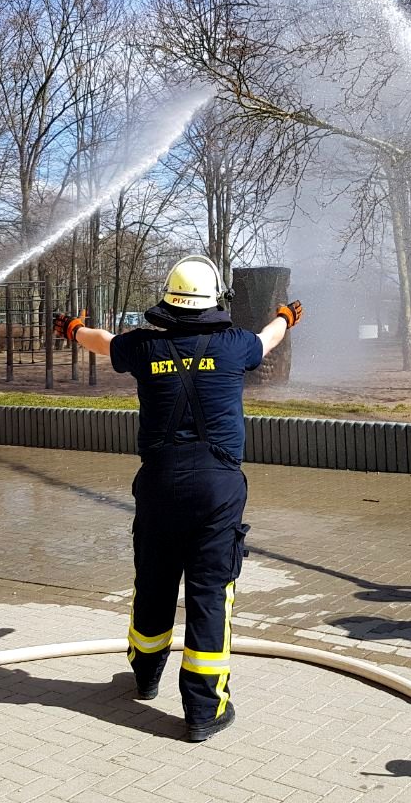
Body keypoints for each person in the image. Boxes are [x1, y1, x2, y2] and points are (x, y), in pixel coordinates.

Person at [53, 255, 302, 742]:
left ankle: (145, 676)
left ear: (167, 299)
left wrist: (73, 328)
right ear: (214, 303)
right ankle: (204, 711)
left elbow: (101, 343)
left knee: (154, 581)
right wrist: (286, 316)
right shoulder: (234, 346)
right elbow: (269, 339)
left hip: (159, 484)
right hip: (217, 488)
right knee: (210, 593)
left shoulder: (143, 346)